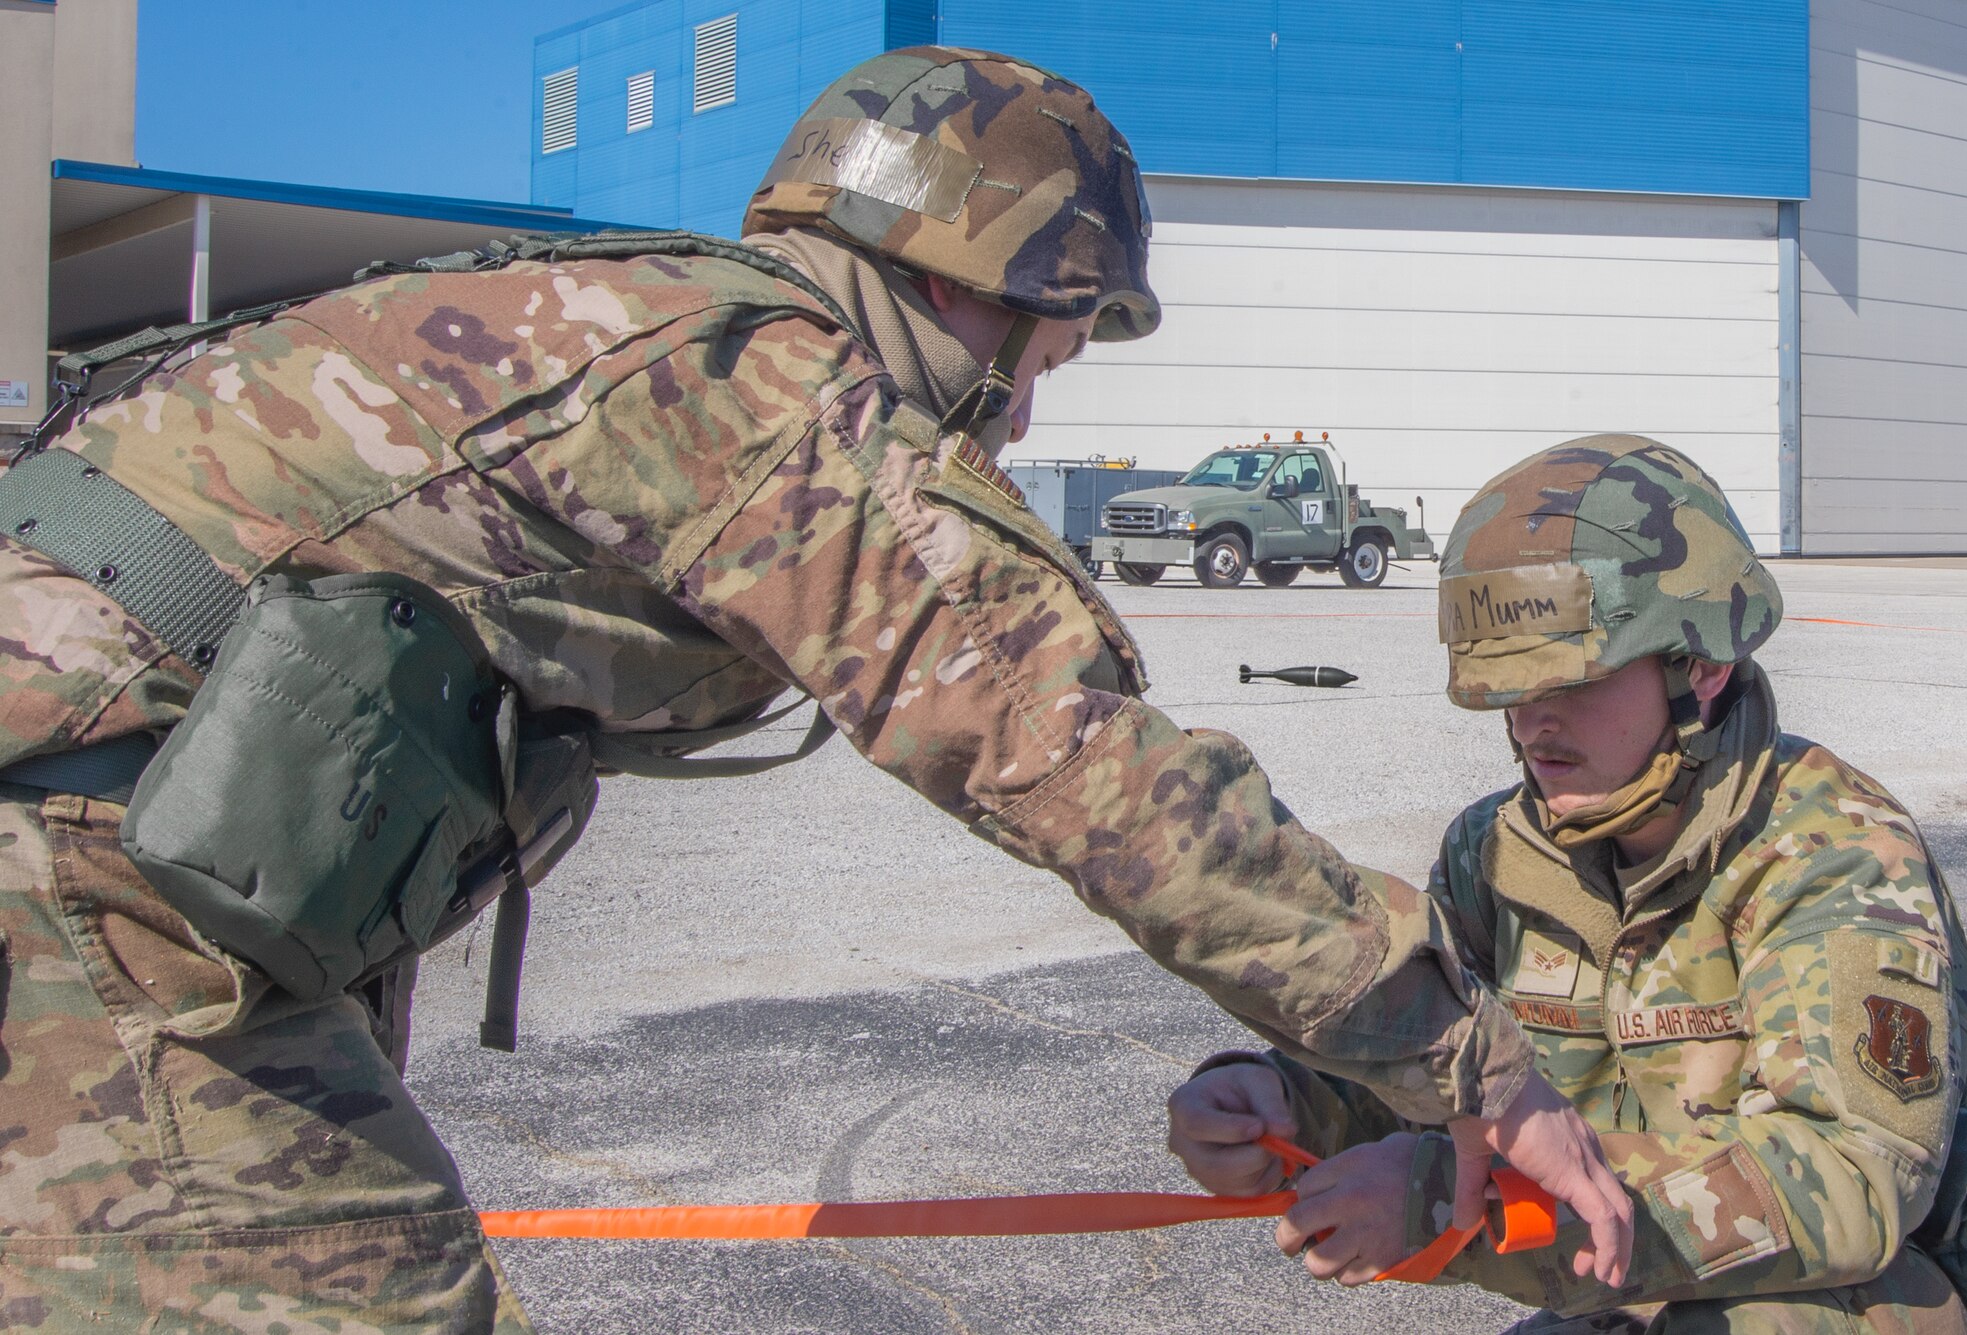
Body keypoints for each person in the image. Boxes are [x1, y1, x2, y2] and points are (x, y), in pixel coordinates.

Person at [0, 48, 1628, 1331]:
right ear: (977, 283)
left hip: (99, 833)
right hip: (76, 869)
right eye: (1046, 361)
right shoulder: (776, 394)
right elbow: (1094, 775)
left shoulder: (630, 323)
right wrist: (1475, 1066)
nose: (1025, 424)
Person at [1167, 435, 1967, 1333]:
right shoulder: (1498, 852)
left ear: (1701, 665)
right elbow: (1445, 1068)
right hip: (1627, 1280)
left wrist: (1446, 1203)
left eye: (1568, 680)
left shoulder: (1836, 852)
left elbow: (1852, 1181)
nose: (1532, 724)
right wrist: (1292, 1104)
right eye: (1507, 692)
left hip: (1852, 1291)